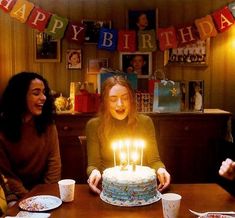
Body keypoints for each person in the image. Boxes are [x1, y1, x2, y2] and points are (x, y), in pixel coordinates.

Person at [86, 76, 170, 194]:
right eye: (113, 99)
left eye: (125, 98)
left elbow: (154, 160)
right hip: (109, 190)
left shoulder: (145, 122)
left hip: (141, 191)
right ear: (105, 102)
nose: (120, 104)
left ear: (131, 99)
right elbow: (93, 165)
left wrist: (161, 169)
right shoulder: (94, 126)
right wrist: (94, 172)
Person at [0, 72, 61, 202]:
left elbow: (54, 164)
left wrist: (46, 193)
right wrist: (28, 197)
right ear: (20, 96)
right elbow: (7, 174)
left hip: (46, 192)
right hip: (13, 194)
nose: (43, 97)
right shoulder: (3, 129)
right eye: (36, 93)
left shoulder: (48, 124)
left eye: (44, 92)